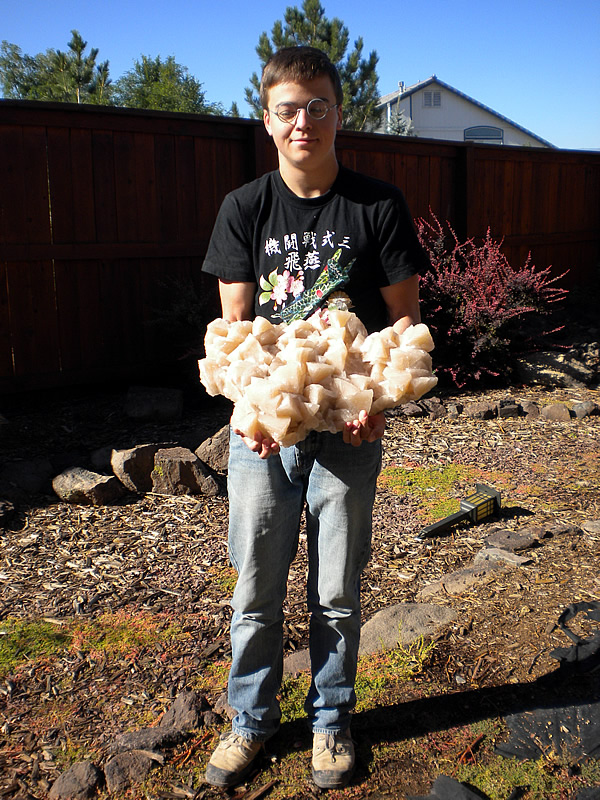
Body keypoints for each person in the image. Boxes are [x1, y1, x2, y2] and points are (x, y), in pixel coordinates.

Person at [201, 46, 429, 790]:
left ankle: (331, 722)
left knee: (337, 589)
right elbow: (235, 334)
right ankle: (251, 722)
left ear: (340, 113)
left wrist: (378, 405)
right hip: (263, 435)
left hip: (348, 433)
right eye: (290, 109)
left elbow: (405, 325)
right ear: (268, 121)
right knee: (255, 589)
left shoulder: (376, 205)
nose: (306, 122)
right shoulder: (245, 209)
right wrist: (252, 412)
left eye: (320, 106)